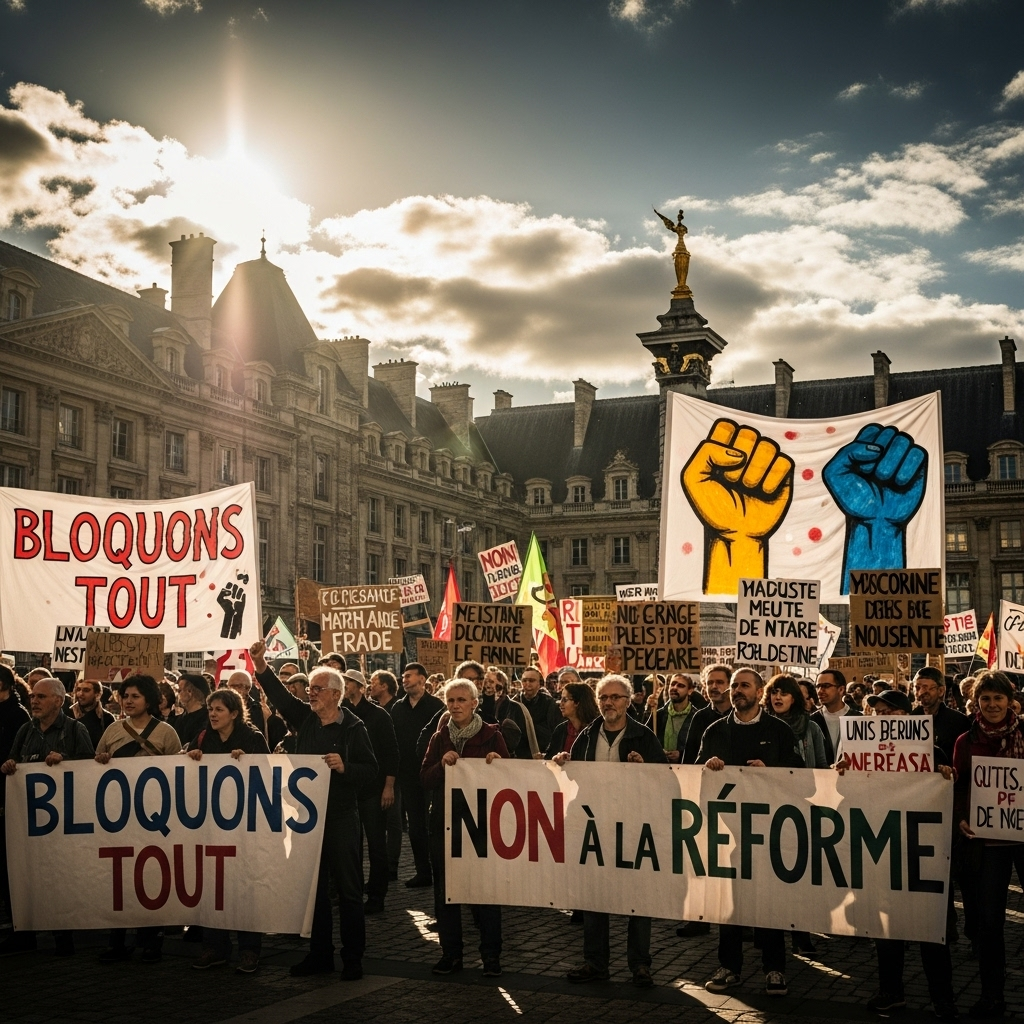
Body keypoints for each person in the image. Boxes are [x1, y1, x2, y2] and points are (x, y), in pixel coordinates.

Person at [251, 641, 377, 981]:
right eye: (309, 689)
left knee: (349, 891)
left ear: (336, 694)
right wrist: (260, 663)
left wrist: (345, 766)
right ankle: (320, 954)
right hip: (307, 820)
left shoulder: (353, 728)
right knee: (313, 890)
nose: (310, 694)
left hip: (340, 819)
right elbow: (278, 696)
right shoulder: (305, 719)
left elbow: (371, 772)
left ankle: (353, 958)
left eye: (317, 689)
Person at [836, 687, 958, 1021]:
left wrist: (945, 776)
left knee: (930, 928)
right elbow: (846, 796)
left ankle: (942, 998)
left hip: (922, 853)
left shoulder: (931, 751)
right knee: (886, 931)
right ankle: (891, 992)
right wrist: (843, 772)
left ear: (908, 717)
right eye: (878, 713)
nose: (885, 718)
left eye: (892, 712)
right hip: (881, 850)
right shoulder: (856, 753)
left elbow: (945, 796)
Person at [556, 674, 666, 988]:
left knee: (638, 898)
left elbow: (665, 781)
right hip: (596, 825)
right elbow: (575, 778)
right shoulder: (588, 735)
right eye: (604, 697)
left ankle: (640, 965)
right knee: (594, 897)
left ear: (628, 701)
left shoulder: (644, 736)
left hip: (633, 826)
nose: (609, 703)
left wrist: (645, 766)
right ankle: (595, 962)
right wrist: (565, 763)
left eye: (616, 697)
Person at [699, 667, 803, 997]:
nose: (737, 691)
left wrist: (771, 772)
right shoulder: (715, 730)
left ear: (760, 692)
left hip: (767, 830)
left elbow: (802, 777)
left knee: (768, 903)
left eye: (745, 686)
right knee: (730, 904)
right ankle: (730, 966)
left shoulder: (780, 731)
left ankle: (774, 968)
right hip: (728, 833)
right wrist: (708, 767)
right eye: (734, 686)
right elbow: (694, 772)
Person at [0, 675, 92, 958]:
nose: (34, 701)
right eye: (33, 697)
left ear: (58, 700)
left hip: (62, 821)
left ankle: (63, 937)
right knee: (24, 874)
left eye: (41, 697)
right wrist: (9, 766)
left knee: (59, 876)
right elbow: (13, 762)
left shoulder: (76, 730)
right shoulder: (26, 731)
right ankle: (24, 934)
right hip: (29, 819)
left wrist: (65, 762)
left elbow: (90, 771)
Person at [421, 678, 508, 976]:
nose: (455, 706)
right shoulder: (438, 737)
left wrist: (498, 764)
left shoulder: (492, 736)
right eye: (450, 701)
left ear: (474, 703)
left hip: (480, 825)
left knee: (485, 892)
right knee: (446, 893)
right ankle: (451, 954)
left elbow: (510, 780)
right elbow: (425, 779)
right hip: (444, 823)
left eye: (461, 700)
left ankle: (491, 956)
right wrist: (440, 766)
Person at [93, 675, 181, 963]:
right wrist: (101, 762)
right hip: (119, 815)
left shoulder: (166, 733)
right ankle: (116, 940)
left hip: (155, 816)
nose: (129, 701)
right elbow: (95, 770)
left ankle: (149, 940)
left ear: (150, 700)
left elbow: (178, 774)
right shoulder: (112, 731)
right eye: (125, 696)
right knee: (119, 876)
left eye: (135, 696)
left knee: (152, 875)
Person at [953, 670, 1024, 1019]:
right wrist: (962, 817)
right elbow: (959, 788)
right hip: (988, 843)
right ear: (977, 702)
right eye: (986, 699)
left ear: (1010, 701)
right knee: (990, 922)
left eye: (998, 698)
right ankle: (992, 995)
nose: (992, 705)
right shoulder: (965, 741)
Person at [185, 688, 270, 973]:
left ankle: (249, 950)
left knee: (245, 887)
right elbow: (181, 770)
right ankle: (215, 947)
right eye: (211, 709)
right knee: (213, 886)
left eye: (219, 709)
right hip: (211, 825)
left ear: (234, 713)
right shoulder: (203, 737)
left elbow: (269, 775)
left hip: (245, 826)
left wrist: (248, 762)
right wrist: (191, 756)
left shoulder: (252, 737)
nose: (212, 714)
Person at [341, 668, 399, 914]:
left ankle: (377, 895)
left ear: (360, 687)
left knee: (376, 844)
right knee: (350, 846)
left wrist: (388, 787)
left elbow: (391, 753)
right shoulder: (341, 714)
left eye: (348, 682)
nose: (344, 686)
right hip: (348, 790)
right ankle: (351, 892)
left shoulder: (379, 715)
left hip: (374, 790)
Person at [390, 662, 444, 888]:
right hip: (408, 776)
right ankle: (423, 871)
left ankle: (440, 871)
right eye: (403, 676)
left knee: (435, 824)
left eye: (410, 676)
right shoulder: (397, 708)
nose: (405, 679)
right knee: (415, 826)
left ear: (423, 680)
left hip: (431, 774)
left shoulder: (437, 707)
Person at [764, 674, 828, 769]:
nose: (777, 697)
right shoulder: (763, 726)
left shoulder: (811, 728)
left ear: (793, 699)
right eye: (774, 692)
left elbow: (822, 766)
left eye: (784, 694)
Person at [913, 666, 970, 763]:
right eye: (917, 688)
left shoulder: (959, 722)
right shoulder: (909, 719)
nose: (921, 692)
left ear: (941, 691)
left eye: (926, 688)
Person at [646, 672, 700, 762]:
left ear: (690, 691)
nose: (675, 688)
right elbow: (645, 739)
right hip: (660, 769)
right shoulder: (658, 715)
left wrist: (682, 754)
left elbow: (700, 747)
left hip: (686, 770)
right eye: (673, 684)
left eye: (680, 686)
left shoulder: (697, 717)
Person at [810, 669, 860, 764]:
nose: (820, 691)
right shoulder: (812, 721)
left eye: (826, 686)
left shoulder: (859, 719)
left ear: (841, 690)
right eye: (818, 686)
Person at [514, 666, 561, 757]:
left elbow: (556, 730)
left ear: (539, 684)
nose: (527, 684)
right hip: (519, 756)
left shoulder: (548, 703)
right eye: (524, 680)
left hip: (542, 755)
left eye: (531, 681)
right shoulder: (514, 703)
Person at [546, 682, 600, 757]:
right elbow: (550, 757)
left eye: (565, 700)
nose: (561, 703)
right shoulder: (560, 730)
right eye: (561, 699)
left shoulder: (597, 729)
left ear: (577, 702)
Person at [66, 679, 115, 749]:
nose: (80, 694)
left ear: (97, 694)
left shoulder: (107, 718)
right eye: (78, 690)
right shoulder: (67, 714)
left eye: (86, 690)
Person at [172, 672, 211, 746]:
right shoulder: (180, 718)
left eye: (180, 690)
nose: (177, 694)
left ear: (190, 692)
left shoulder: (208, 716)